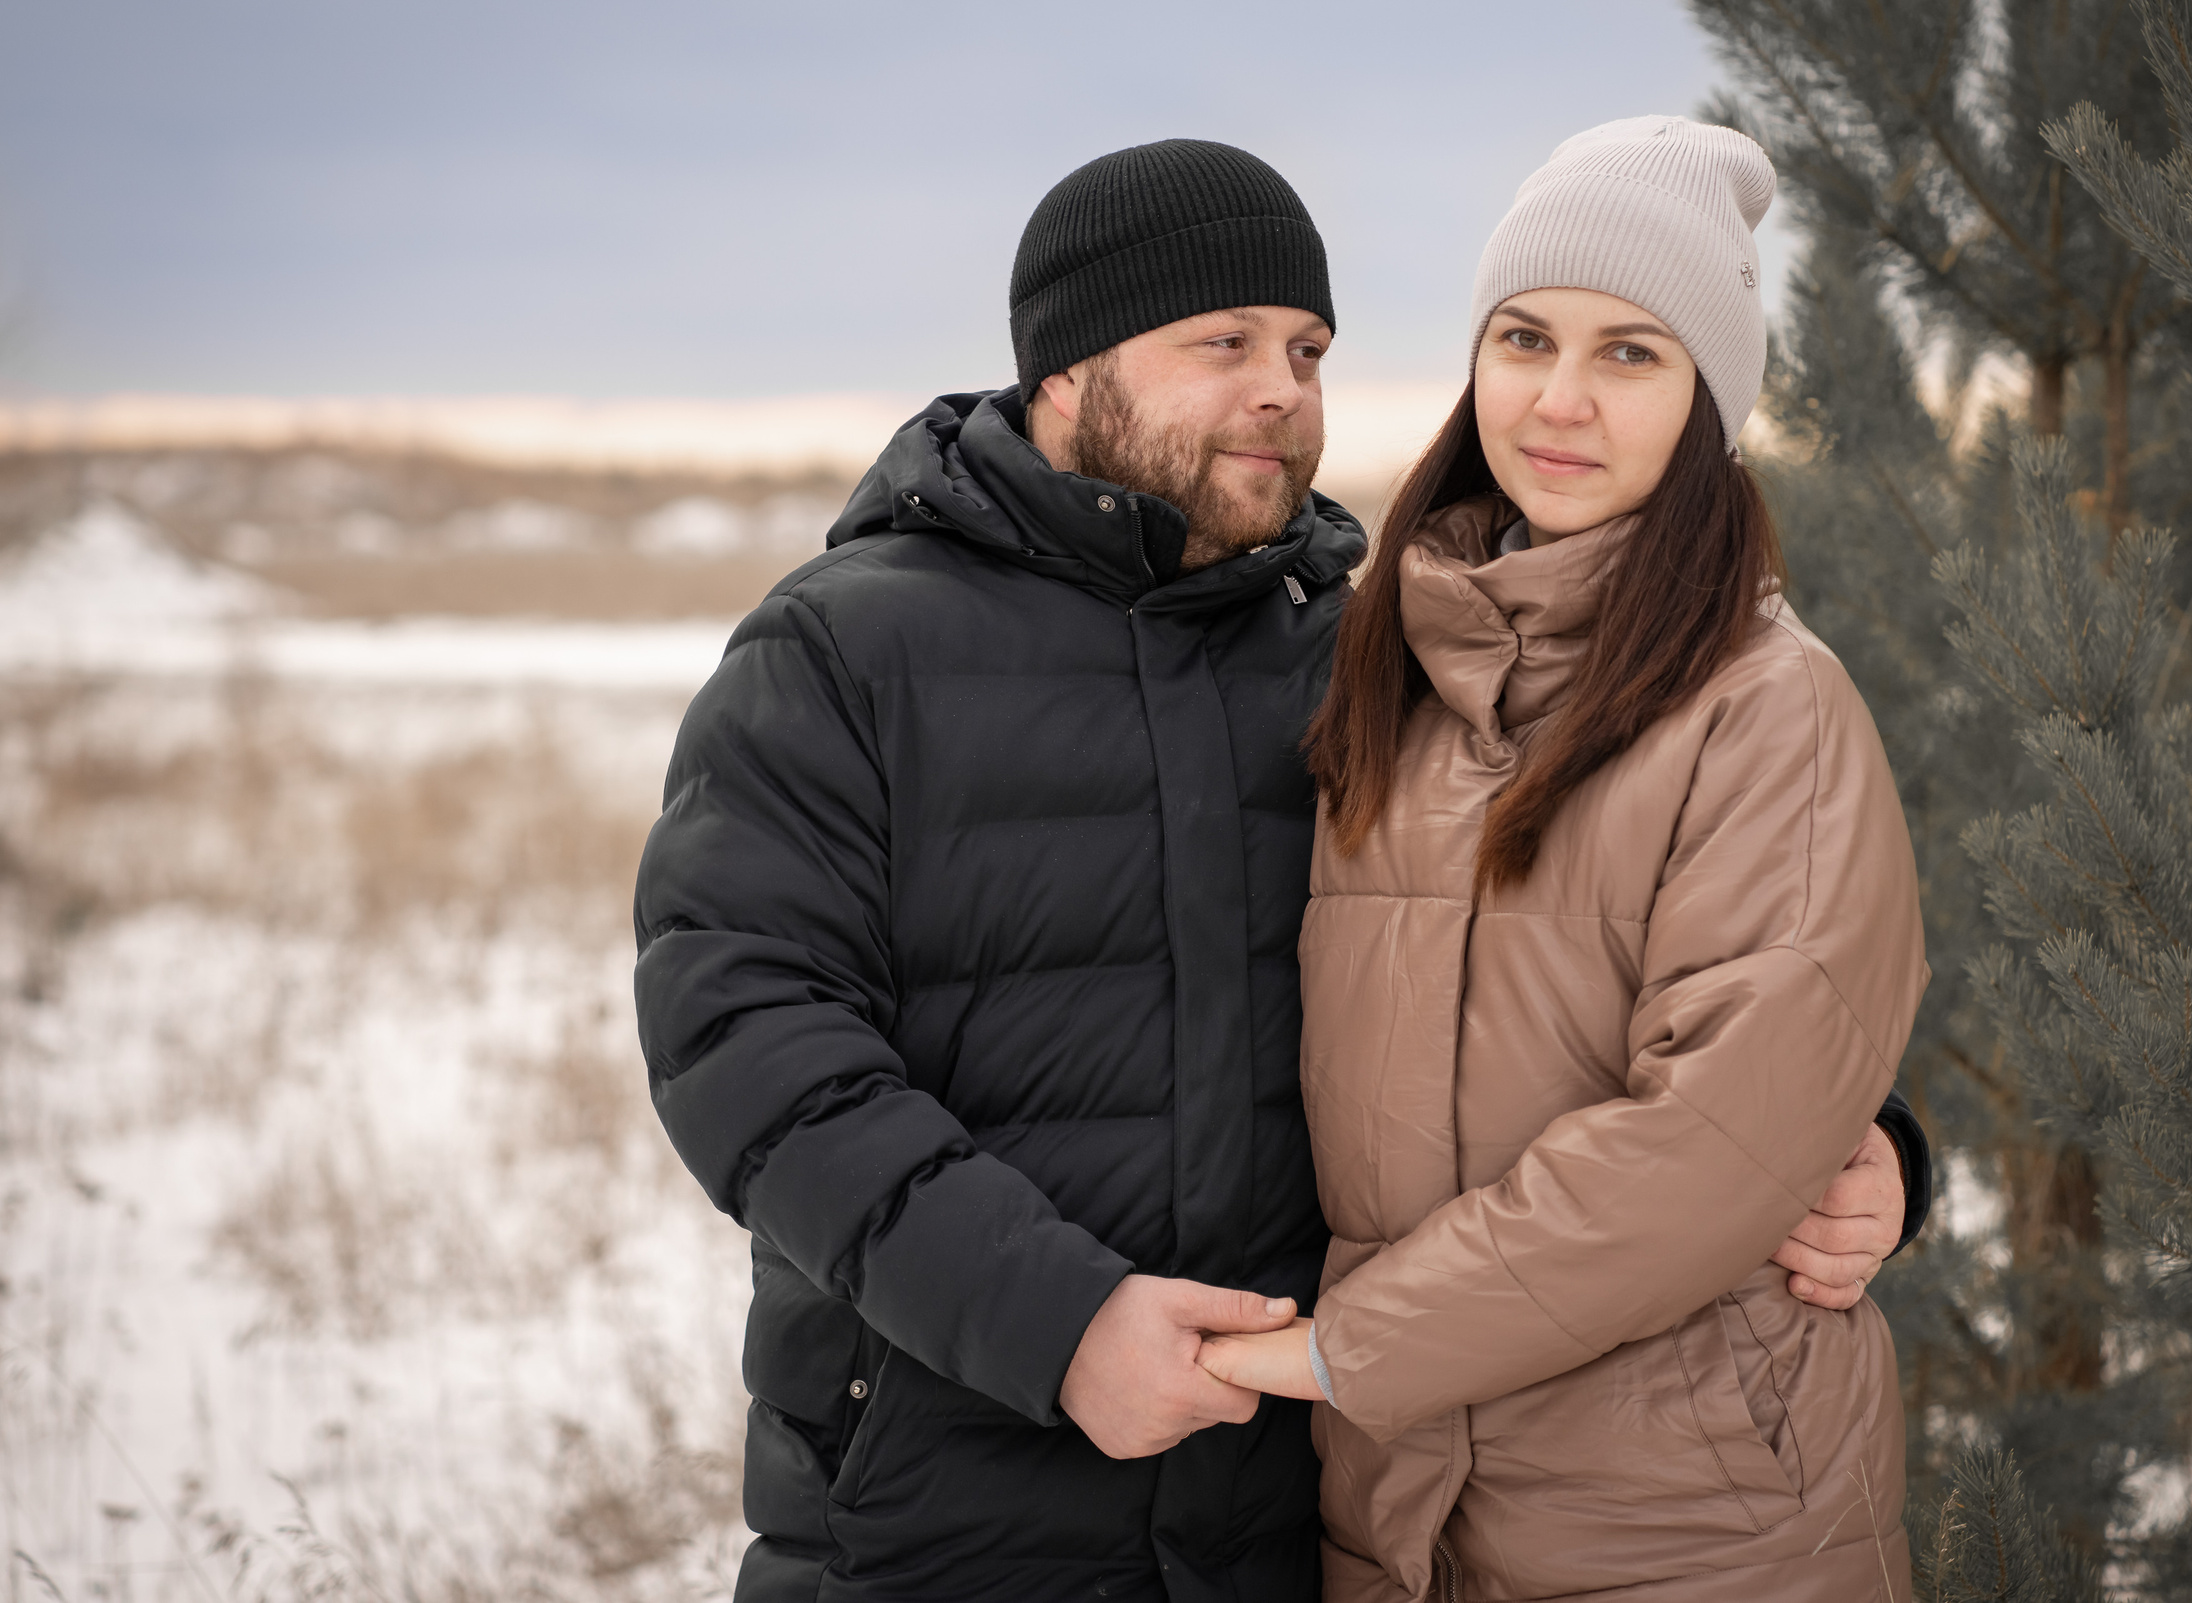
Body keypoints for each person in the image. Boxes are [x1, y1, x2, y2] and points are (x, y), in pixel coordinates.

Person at [633, 135, 1930, 1602]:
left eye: (1309, 349)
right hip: (947, 1497)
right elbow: (744, 1041)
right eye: (1224, 343)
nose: (1284, 390)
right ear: (1067, 367)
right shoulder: (849, 653)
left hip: (1281, 1503)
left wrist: (1853, 1139)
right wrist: (1052, 1321)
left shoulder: (1354, 644)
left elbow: (1559, 952)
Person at [1201, 117, 1929, 1601]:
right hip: (1397, 1502)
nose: (1562, 401)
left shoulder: (1767, 706)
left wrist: (1349, 1349)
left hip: (1688, 1520)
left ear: (1709, 400)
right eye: (1526, 338)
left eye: (1633, 355)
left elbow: (1709, 1133)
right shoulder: (1383, 668)